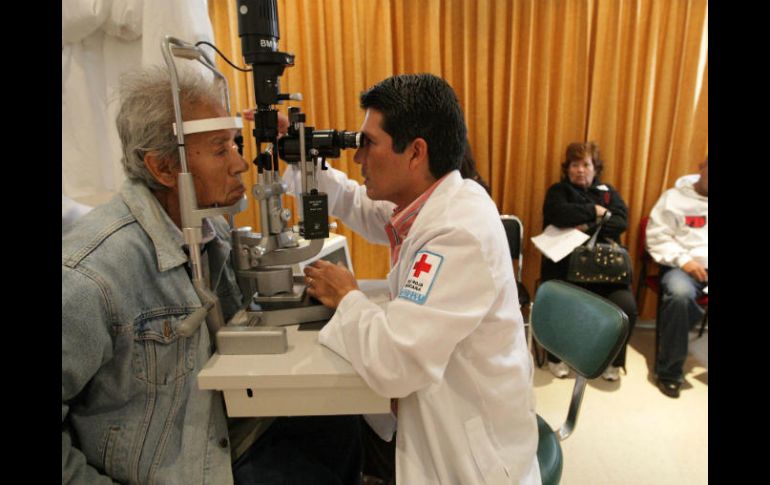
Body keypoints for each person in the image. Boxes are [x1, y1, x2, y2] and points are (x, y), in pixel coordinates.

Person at [62, 67, 361, 485]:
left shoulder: (210, 229)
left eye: (236, 144)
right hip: (179, 465)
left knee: (344, 419)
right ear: (164, 168)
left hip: (235, 429)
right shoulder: (92, 275)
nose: (240, 164)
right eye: (221, 151)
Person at [294, 73, 540, 484]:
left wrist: (347, 295)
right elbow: (360, 205)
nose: (358, 158)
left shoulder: (458, 232)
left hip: (471, 461)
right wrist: (299, 158)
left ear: (415, 152)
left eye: (368, 143)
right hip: (440, 418)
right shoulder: (439, 201)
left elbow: (395, 363)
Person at [540, 141, 638, 381]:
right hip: (565, 267)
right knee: (558, 301)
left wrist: (584, 225)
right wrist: (596, 212)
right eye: (575, 165)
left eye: (586, 164)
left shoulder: (608, 192)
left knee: (626, 307)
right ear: (567, 168)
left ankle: (612, 360)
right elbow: (558, 214)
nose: (580, 170)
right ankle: (556, 356)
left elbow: (621, 222)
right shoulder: (558, 191)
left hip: (605, 272)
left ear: (596, 168)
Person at [646, 157, 708, 398]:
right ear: (701, 167)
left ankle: (685, 326)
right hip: (682, 267)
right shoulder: (673, 198)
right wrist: (685, 262)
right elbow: (657, 237)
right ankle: (669, 372)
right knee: (680, 296)